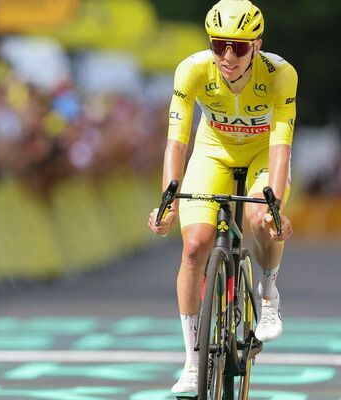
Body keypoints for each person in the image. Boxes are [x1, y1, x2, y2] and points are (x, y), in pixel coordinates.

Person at [147, 0, 296, 394]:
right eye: (219, 45)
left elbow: (281, 146)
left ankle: (268, 293)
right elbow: (176, 142)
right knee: (194, 247)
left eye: (240, 47)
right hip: (213, 151)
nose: (228, 56)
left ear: (257, 45)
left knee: (259, 220)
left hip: (263, 152)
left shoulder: (281, 75)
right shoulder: (193, 70)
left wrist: (276, 207)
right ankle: (193, 362)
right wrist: (168, 201)